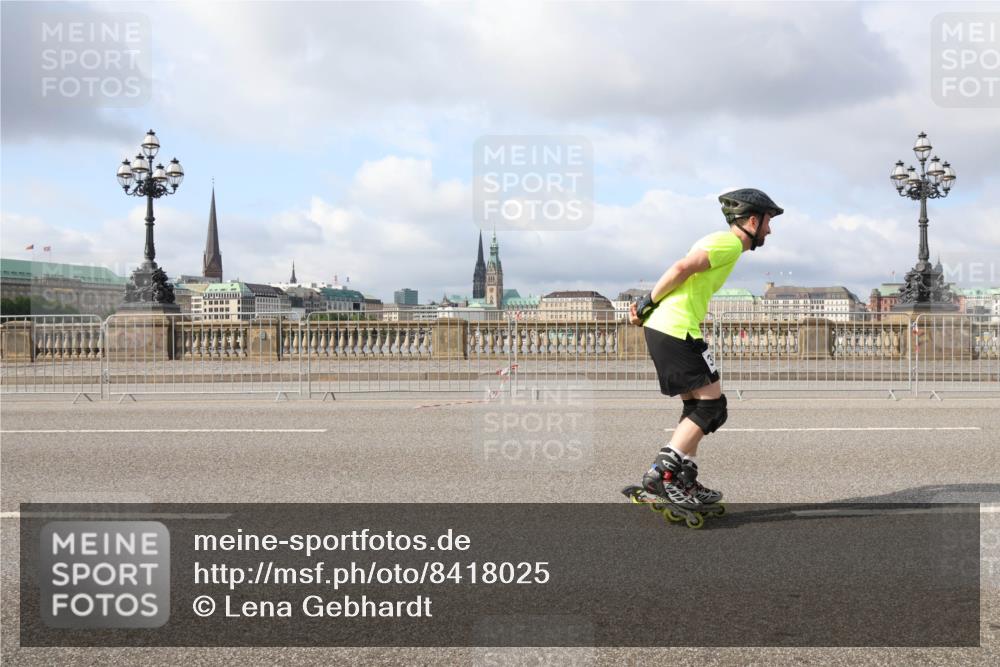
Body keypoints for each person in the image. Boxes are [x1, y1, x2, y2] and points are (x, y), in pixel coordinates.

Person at [629, 188, 784, 509]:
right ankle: (662, 475)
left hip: (672, 328)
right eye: (768, 221)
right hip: (676, 328)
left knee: (699, 408)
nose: (770, 229)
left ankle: (682, 477)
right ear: (752, 220)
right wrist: (647, 302)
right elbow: (680, 269)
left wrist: (649, 309)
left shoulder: (721, 242)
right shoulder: (728, 243)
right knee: (711, 408)